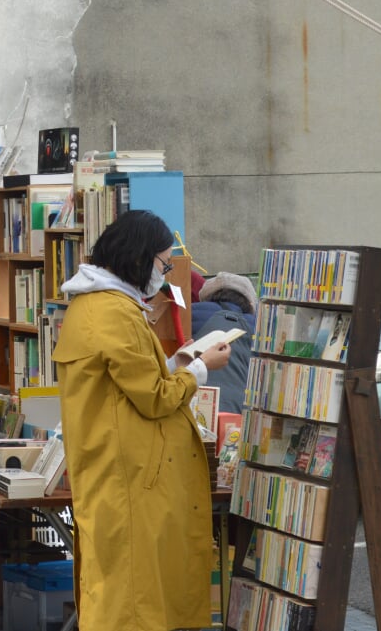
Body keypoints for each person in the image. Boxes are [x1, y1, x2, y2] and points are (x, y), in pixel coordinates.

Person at [51, 210, 231, 631]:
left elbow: (122, 383)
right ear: (139, 258)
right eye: (163, 263)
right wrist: (200, 368)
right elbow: (153, 397)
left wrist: (173, 362)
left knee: (119, 589)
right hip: (130, 475)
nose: (165, 273)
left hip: (113, 472)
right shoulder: (117, 312)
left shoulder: (91, 305)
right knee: (134, 600)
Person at [191, 271, 258, 413]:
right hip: (240, 408)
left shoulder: (191, 314)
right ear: (249, 302)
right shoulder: (258, 326)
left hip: (196, 402)